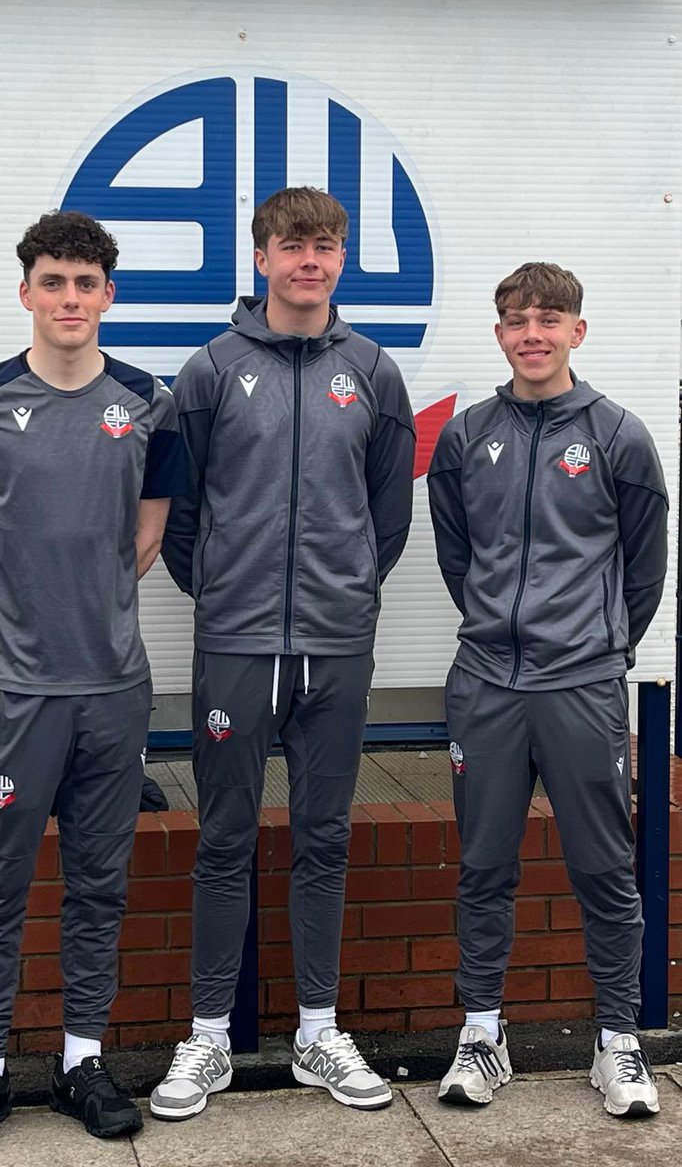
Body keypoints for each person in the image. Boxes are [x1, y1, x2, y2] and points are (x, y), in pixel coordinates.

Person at [153, 186, 416, 1119]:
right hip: (236, 642)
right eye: (292, 245)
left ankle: (315, 1032)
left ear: (342, 259)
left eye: (325, 246)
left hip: (338, 644)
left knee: (325, 839)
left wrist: (341, 588)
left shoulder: (375, 372)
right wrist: (227, 591)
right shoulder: (213, 369)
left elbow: (388, 516)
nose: (309, 260)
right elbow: (179, 518)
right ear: (261, 257)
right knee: (223, 840)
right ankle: (210, 1039)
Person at [0, 210, 185, 1155]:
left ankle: (82, 1059)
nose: (70, 299)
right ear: (27, 291)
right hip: (11, 690)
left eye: (87, 284)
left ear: (108, 295)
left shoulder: (146, 403)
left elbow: (147, 533)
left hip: (112, 687)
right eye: (54, 282)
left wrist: (92, 614)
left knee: (100, 886)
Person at [427, 262, 668, 1118]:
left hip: (582, 686)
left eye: (550, 317)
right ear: (499, 334)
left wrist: (596, 649)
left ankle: (617, 1042)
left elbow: (643, 572)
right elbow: (460, 558)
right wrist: (503, 629)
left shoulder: (618, 436)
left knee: (604, 869)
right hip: (488, 683)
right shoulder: (466, 437)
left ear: (577, 330)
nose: (533, 332)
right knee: (484, 868)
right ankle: (482, 1036)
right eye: (517, 319)